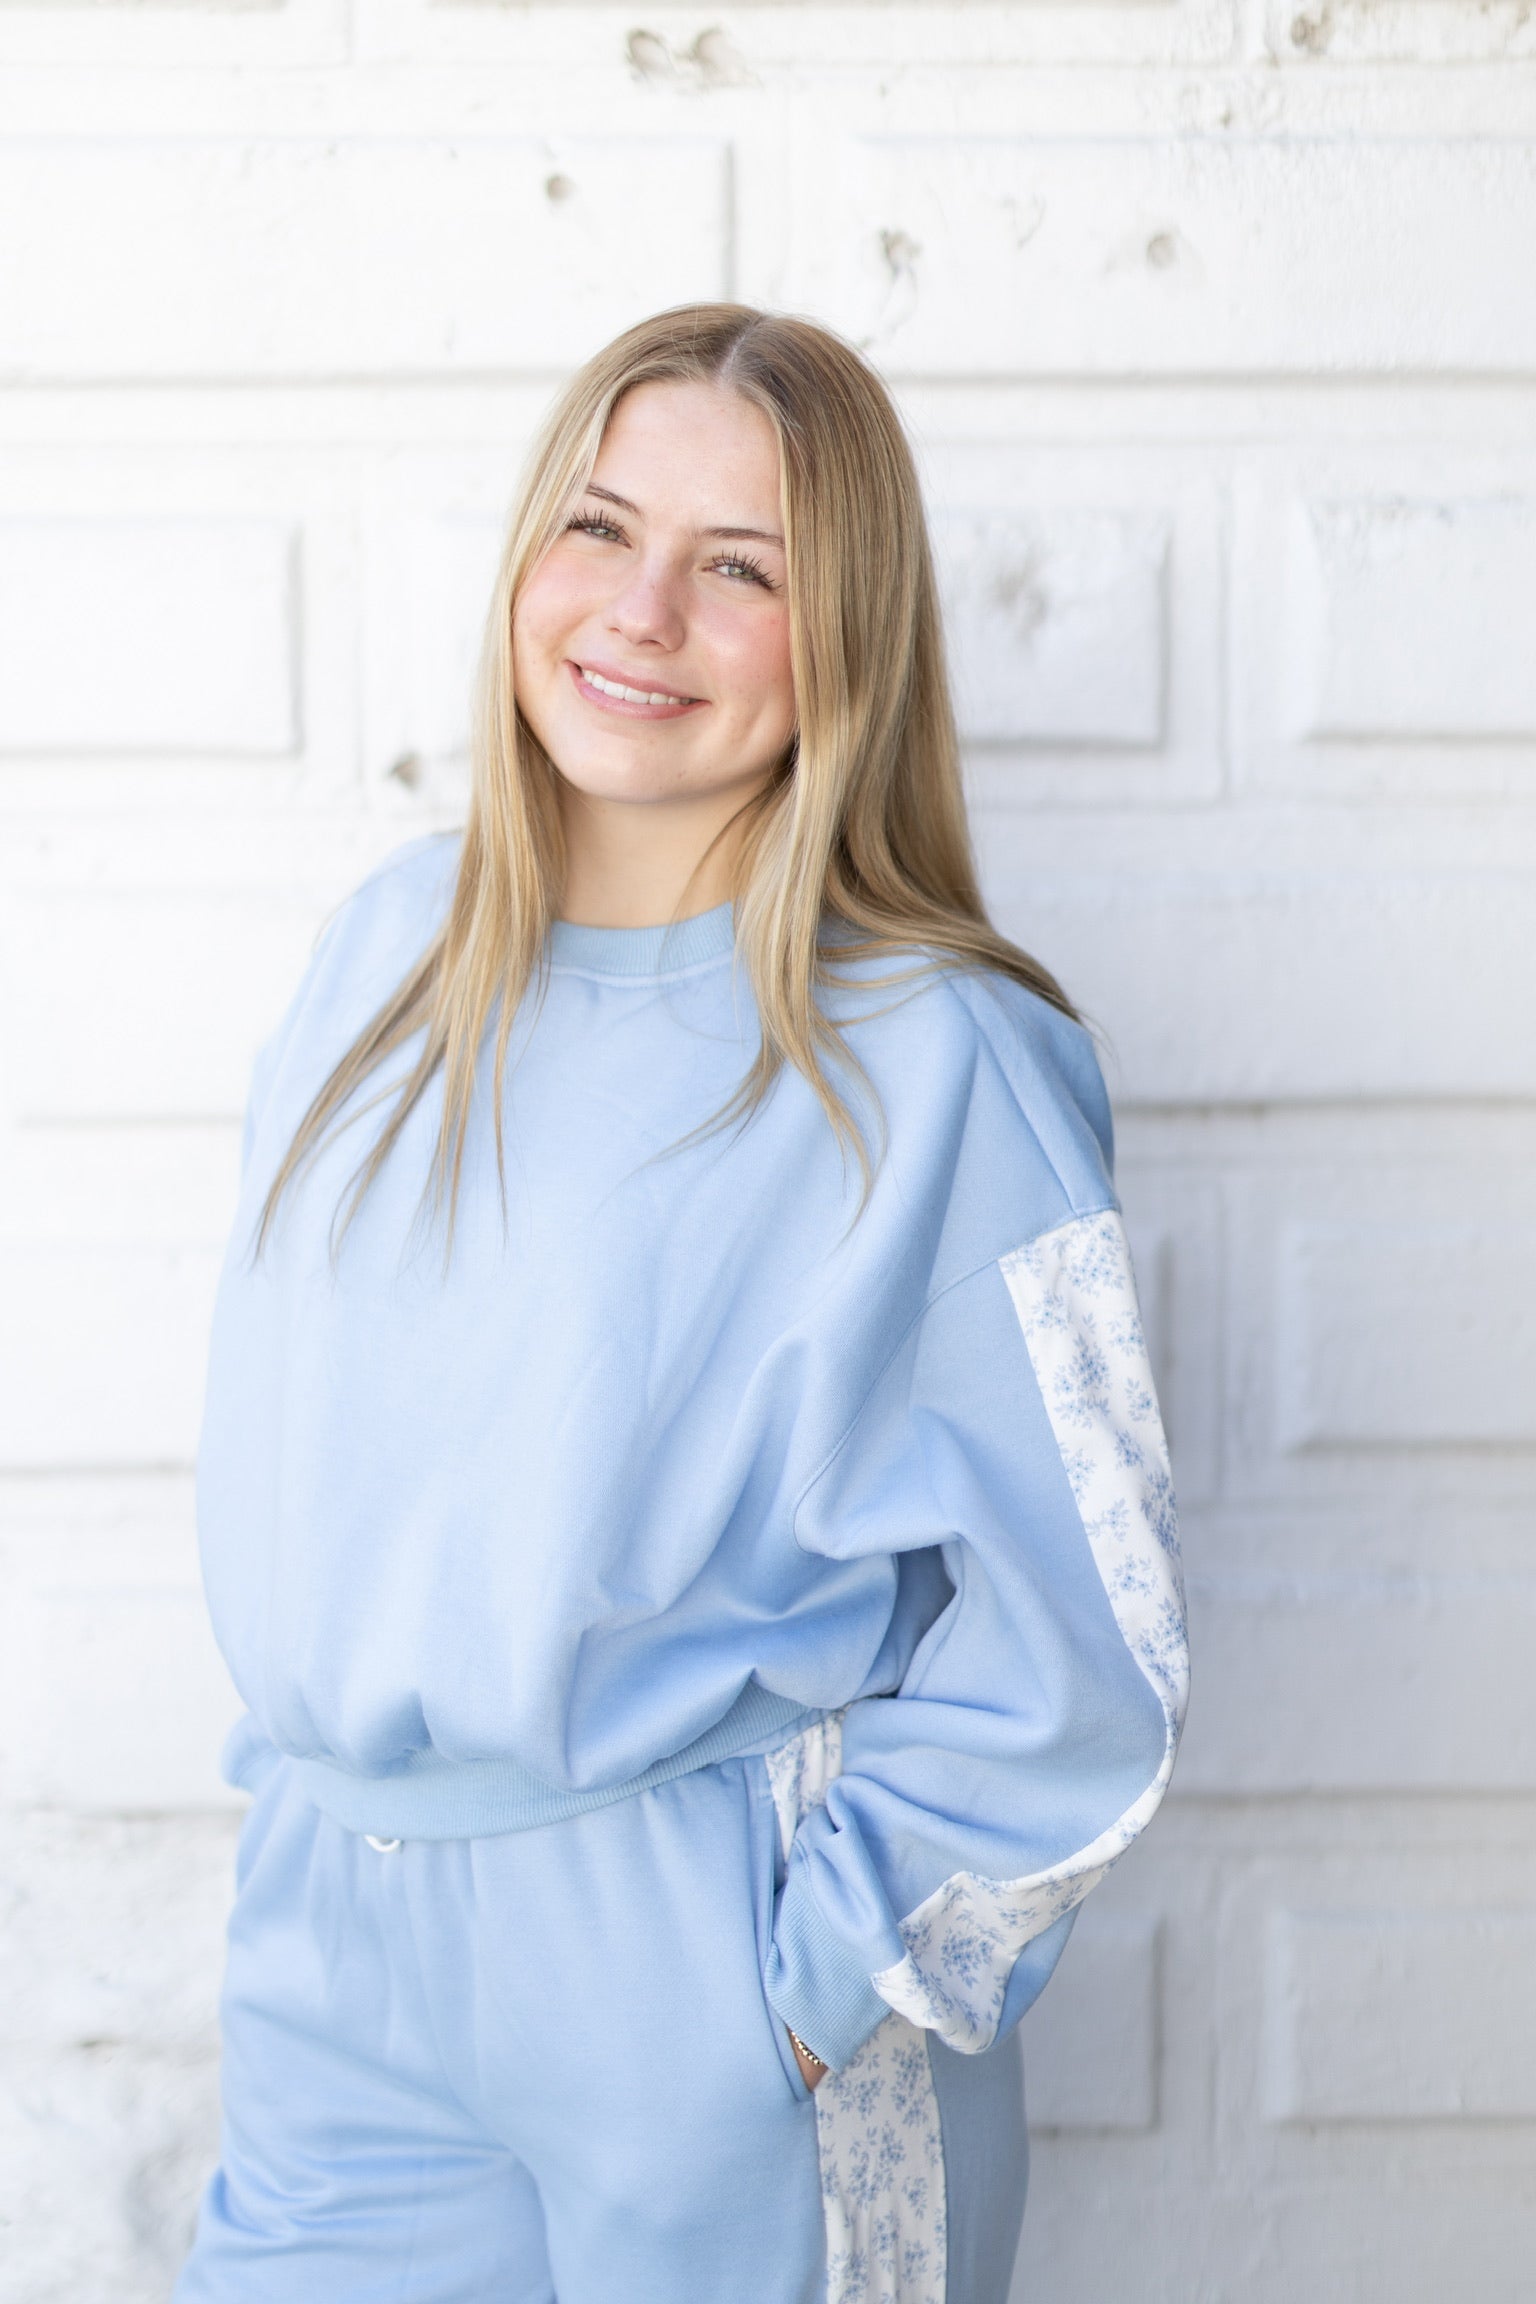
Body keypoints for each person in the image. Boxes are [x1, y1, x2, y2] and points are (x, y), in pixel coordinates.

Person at [176, 304, 1188, 2304]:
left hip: (714, 1976)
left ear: (851, 638)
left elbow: (1099, 1630)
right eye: (602, 528)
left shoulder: (940, 1056)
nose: (642, 612)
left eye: (743, 569)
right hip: (340, 1951)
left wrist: (815, 1989)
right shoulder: (383, 959)